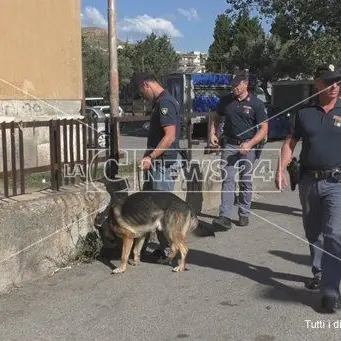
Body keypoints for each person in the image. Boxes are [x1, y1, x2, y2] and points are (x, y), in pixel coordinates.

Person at [275, 64, 341, 313]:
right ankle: (320, 271)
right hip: (308, 182)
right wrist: (280, 169)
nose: (334, 86)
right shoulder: (304, 114)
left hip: (337, 183)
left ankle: (330, 290)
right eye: (329, 81)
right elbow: (290, 143)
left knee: (335, 233)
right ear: (318, 84)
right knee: (314, 232)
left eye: (337, 81)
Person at [209, 72, 268, 230]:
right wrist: (212, 133)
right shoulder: (226, 101)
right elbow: (215, 117)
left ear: (245, 84)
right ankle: (225, 216)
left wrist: (250, 143)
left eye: (236, 85)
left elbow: (263, 129)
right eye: (232, 85)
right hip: (230, 145)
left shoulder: (256, 104)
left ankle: (244, 213)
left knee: (245, 182)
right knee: (228, 180)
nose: (233, 88)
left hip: (248, 147)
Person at [134, 72, 181, 259]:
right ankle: (146, 247)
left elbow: (169, 136)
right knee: (149, 206)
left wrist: (151, 157)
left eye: (142, 92)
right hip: (158, 163)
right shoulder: (163, 101)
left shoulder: (165, 103)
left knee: (162, 210)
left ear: (146, 85)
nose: (143, 97)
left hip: (162, 163)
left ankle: (170, 250)